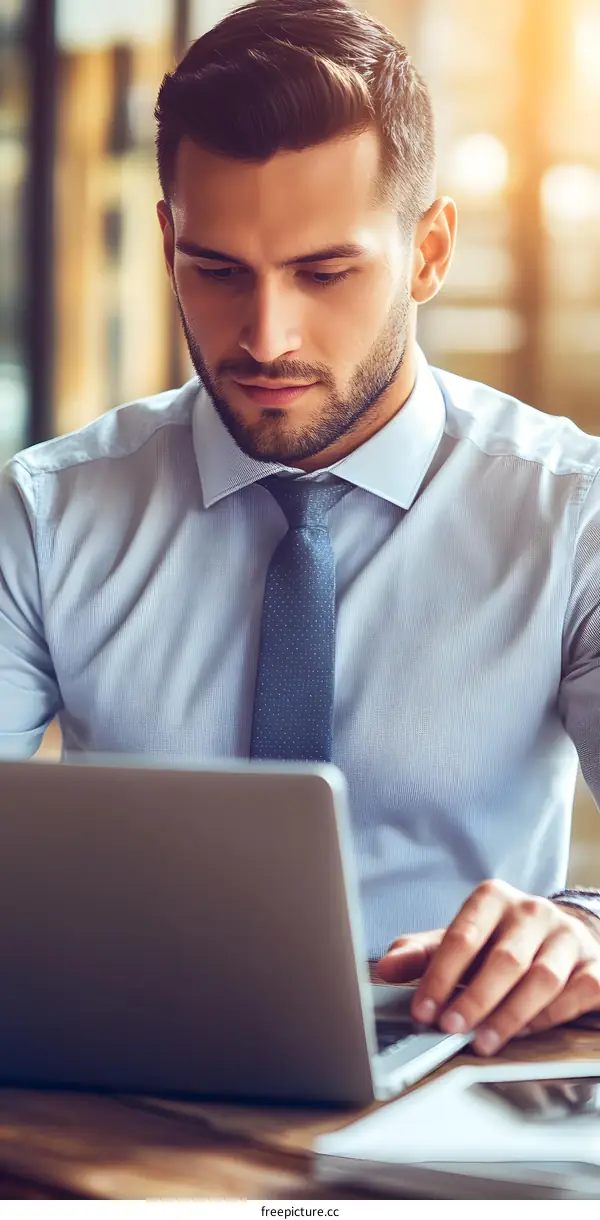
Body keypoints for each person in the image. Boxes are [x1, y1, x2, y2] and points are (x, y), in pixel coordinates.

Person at [2, 0, 600, 1057]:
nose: (265, 336)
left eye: (326, 273)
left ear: (428, 251)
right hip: (122, 1095)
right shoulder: (47, 514)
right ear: (166, 239)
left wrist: (584, 931)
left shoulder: (570, 512)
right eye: (217, 269)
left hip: (455, 1089)